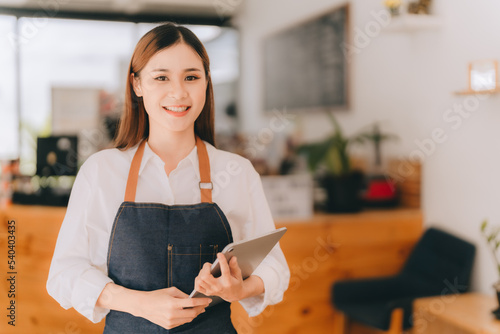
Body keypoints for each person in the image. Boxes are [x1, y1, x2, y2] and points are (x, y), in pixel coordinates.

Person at [46, 22, 290, 333]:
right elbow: (64, 273)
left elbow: (275, 268)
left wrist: (239, 289)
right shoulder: (100, 171)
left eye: (191, 77)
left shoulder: (237, 172)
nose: (178, 92)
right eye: (161, 77)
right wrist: (138, 303)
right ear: (137, 85)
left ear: (206, 83)